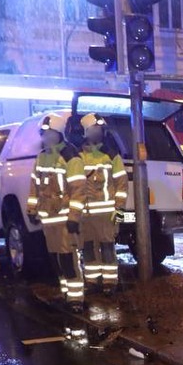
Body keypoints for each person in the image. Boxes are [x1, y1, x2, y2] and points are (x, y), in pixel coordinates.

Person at [29, 113, 85, 309]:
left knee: (68, 258)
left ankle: (76, 298)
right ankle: (65, 293)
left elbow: (78, 190)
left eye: (49, 133)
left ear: (59, 133)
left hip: (64, 219)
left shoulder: (70, 157)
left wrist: (74, 217)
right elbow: (35, 185)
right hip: (48, 219)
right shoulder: (42, 157)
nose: (45, 138)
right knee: (55, 259)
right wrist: (31, 208)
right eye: (43, 134)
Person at [66, 113, 126, 296]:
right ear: (85, 131)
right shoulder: (78, 157)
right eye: (94, 129)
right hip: (86, 214)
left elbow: (122, 187)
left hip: (107, 214)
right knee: (89, 249)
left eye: (100, 129)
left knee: (108, 248)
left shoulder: (111, 155)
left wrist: (119, 216)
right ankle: (92, 281)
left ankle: (110, 282)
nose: (98, 132)